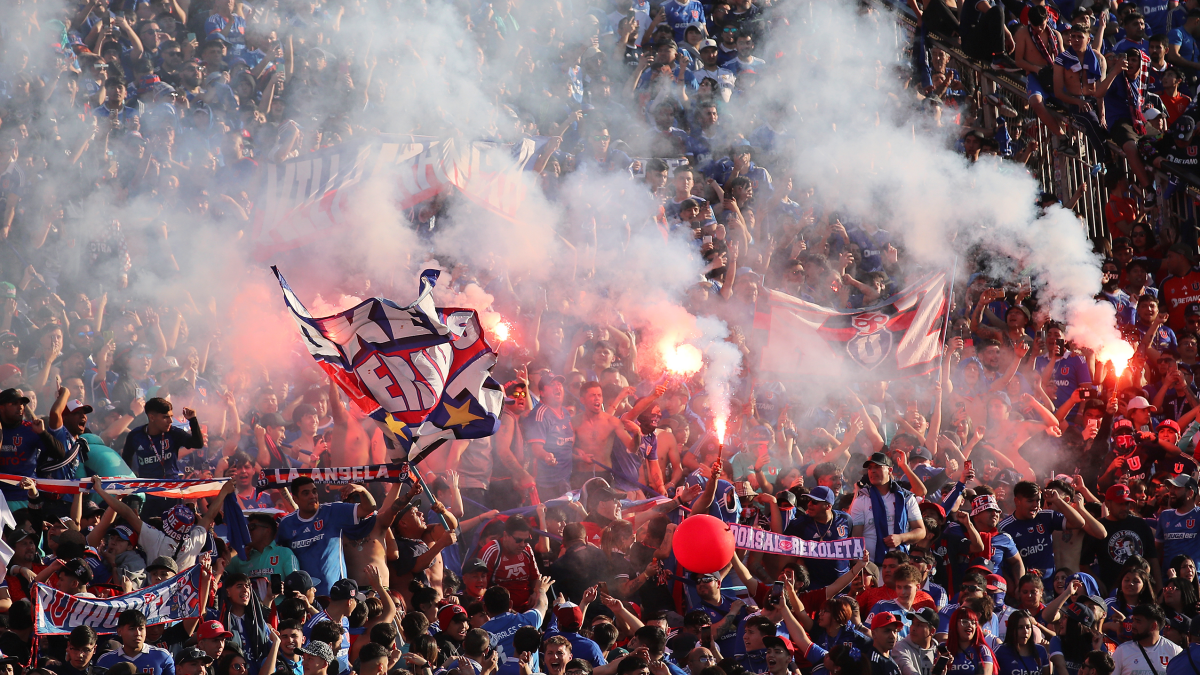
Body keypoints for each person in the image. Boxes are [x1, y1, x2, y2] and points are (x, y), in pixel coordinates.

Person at [275, 476, 376, 597]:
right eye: (306, 493)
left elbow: (369, 508)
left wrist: (362, 490)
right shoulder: (287, 524)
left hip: (337, 595)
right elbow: (278, 553)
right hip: (303, 596)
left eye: (314, 491)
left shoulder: (333, 511)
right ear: (295, 498)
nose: (312, 496)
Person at [851, 452, 926, 564]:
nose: (872, 471)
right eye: (870, 468)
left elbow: (921, 531)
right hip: (871, 567)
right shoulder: (861, 499)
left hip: (901, 566)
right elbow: (855, 538)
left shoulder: (906, 498)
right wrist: (859, 567)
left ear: (890, 470)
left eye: (877, 467)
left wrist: (901, 538)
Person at [481, 574, 552, 663]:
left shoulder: (482, 634)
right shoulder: (528, 620)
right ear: (510, 604)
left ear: (485, 608)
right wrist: (541, 590)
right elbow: (542, 605)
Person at [96, 610, 177, 675]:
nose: (138, 633)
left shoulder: (162, 656)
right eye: (132, 629)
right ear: (119, 631)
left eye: (141, 629)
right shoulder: (106, 660)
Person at [1111, 604, 1181, 675]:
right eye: (1133, 620)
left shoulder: (1174, 651)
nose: (1133, 625)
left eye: (1138, 622)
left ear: (1153, 626)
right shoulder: (1122, 651)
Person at [994, 611, 1048, 675]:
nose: (1025, 631)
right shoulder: (1000, 651)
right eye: (1020, 627)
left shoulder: (1041, 650)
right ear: (1011, 629)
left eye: (1028, 627)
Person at [893, 607, 939, 675]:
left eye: (919, 625)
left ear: (932, 631)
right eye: (913, 623)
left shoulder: (938, 651)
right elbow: (908, 670)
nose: (913, 628)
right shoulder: (900, 648)